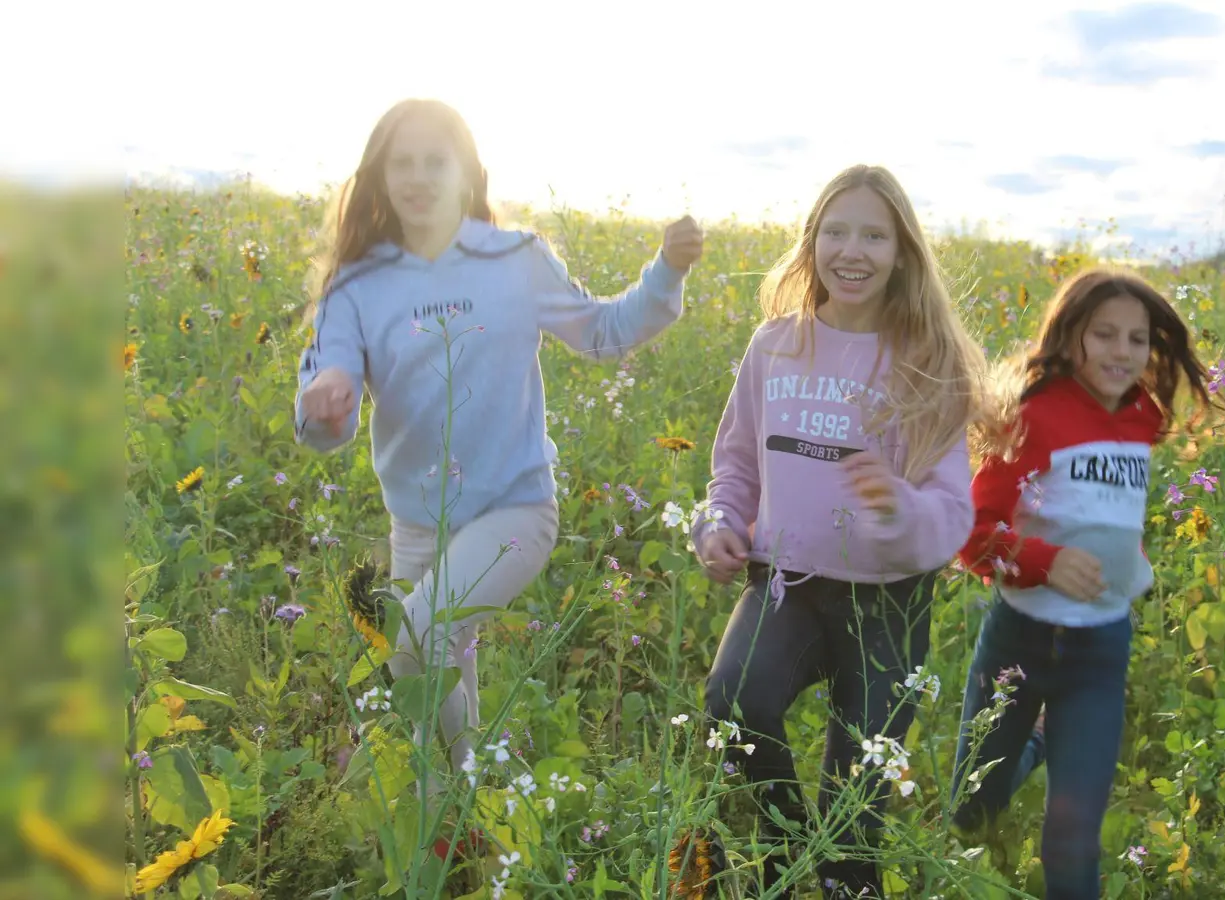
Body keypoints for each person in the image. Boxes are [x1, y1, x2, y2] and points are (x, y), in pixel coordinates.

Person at [293, 98, 703, 797]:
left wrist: (665, 271)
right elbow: (323, 406)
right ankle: (460, 822)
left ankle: (461, 803)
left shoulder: (516, 259)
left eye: (436, 160)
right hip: (418, 526)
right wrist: (324, 398)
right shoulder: (356, 286)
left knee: (418, 638)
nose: (419, 177)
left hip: (515, 509)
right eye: (403, 162)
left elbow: (602, 334)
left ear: (468, 173)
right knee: (437, 683)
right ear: (380, 177)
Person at [689, 165, 987, 898]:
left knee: (857, 814)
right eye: (837, 231)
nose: (852, 251)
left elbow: (951, 514)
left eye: (874, 235)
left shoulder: (925, 362)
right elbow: (734, 464)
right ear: (812, 242)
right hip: (785, 584)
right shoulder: (774, 345)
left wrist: (897, 506)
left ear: (902, 254)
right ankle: (789, 861)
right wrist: (720, 523)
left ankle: (838, 874)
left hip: (886, 603)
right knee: (732, 702)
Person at [948, 267, 1213, 899]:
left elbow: (1107, 504)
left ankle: (1046, 743)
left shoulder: (1143, 418)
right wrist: (1045, 559)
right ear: (1072, 339)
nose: (1123, 352)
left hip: (1100, 647)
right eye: (1105, 335)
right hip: (1020, 640)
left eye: (1137, 339)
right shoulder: (1033, 415)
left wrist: (1120, 556)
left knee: (1072, 838)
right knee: (970, 810)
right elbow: (972, 533)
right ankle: (1029, 749)